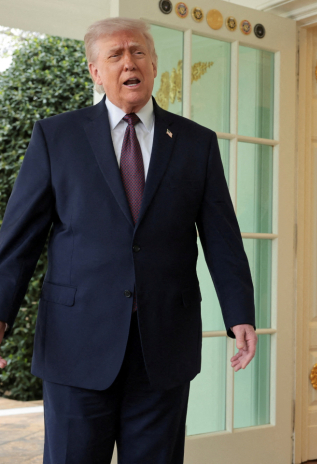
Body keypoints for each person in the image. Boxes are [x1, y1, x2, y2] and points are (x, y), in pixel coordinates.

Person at [0, 17, 257, 463]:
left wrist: (240, 314)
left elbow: (222, 237)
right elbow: (19, 238)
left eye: (138, 52)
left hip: (164, 346)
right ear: (95, 72)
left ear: (154, 65)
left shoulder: (196, 142)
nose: (128, 63)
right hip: (76, 345)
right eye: (115, 55)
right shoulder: (55, 136)